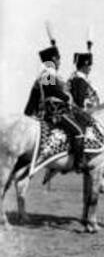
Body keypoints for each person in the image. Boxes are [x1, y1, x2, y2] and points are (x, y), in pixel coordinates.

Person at [24, 29, 90, 169]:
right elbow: (50, 90)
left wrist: (27, 115)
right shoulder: (48, 72)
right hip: (57, 113)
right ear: (54, 59)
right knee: (79, 131)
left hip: (53, 112)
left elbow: (33, 99)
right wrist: (66, 97)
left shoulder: (47, 73)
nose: (60, 62)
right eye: (59, 58)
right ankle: (79, 163)